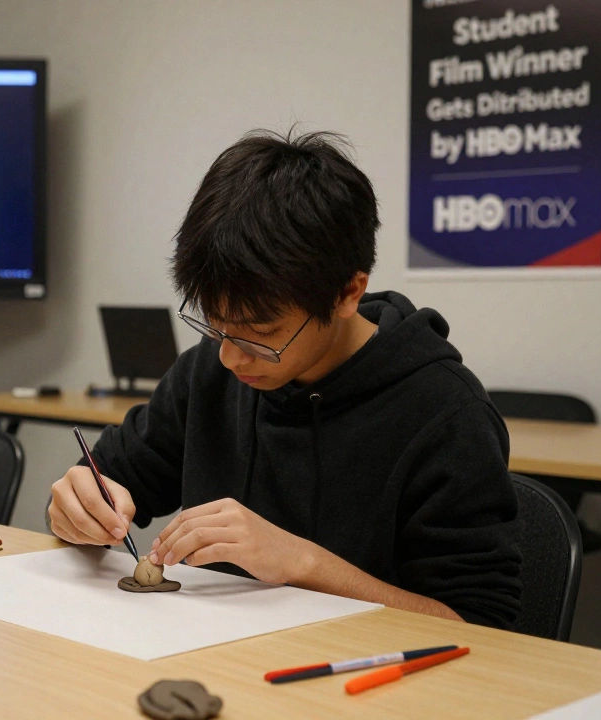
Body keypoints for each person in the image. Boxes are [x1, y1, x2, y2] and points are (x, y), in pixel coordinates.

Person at [47, 130, 522, 630]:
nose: (230, 356)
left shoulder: (445, 414)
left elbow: (484, 627)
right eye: (215, 325)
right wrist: (76, 507)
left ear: (347, 293)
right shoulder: (209, 371)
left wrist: (304, 564)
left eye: (261, 333)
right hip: (206, 659)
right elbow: (109, 479)